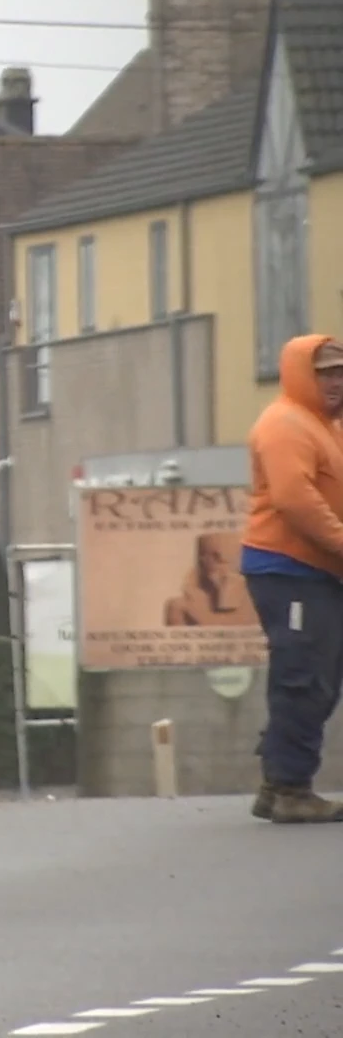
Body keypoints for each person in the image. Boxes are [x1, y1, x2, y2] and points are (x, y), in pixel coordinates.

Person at [240, 334, 343, 824]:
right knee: (302, 677)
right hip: (289, 569)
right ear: (300, 373)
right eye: (325, 373)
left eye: (342, 372)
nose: (336, 382)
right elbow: (295, 500)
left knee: (317, 678)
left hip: (317, 572)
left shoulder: (324, 427)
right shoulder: (286, 424)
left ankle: (280, 782)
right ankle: (288, 788)